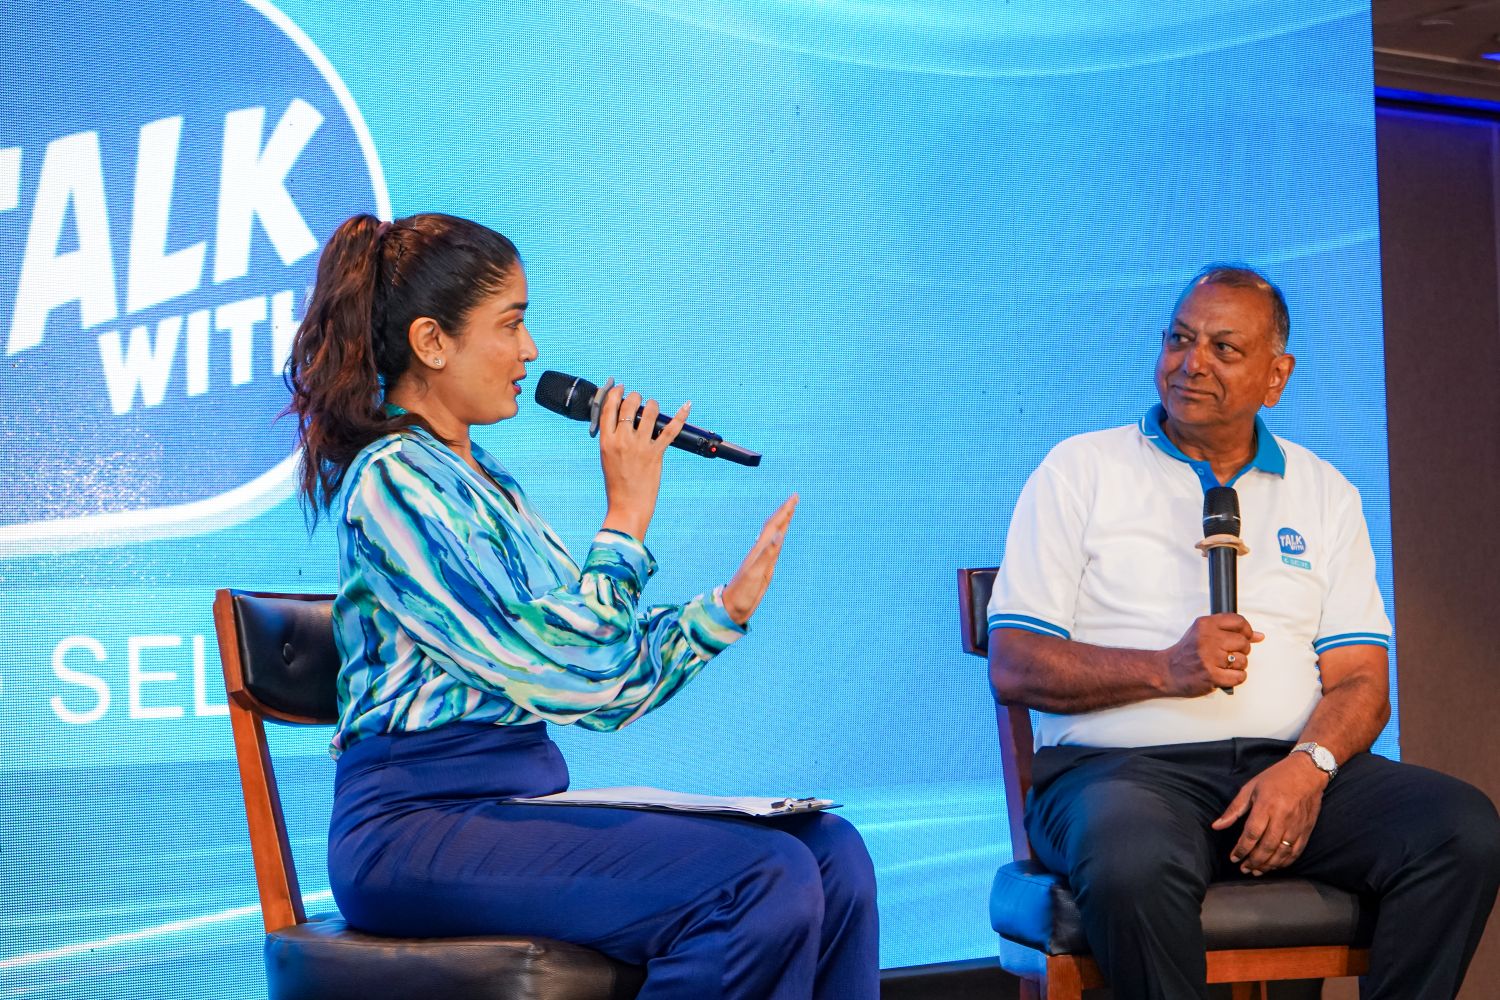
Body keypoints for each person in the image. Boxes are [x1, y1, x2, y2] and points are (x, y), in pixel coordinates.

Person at [285, 211, 878, 1000]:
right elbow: (568, 673)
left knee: (833, 853)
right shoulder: (395, 480)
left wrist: (718, 616)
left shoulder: (488, 483)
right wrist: (624, 520)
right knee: (757, 880)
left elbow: (602, 682)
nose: (530, 350)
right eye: (511, 324)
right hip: (413, 826)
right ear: (432, 342)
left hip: (510, 802)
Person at [986, 264, 1500, 1000]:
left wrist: (1309, 767)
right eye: (1179, 339)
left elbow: (1363, 681)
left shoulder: (1324, 491)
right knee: (1132, 857)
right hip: (1121, 777)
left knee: (1459, 829)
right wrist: (1166, 668)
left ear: (1276, 376)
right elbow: (1014, 664)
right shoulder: (1079, 471)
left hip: (1286, 768)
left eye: (1223, 348)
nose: (1190, 363)